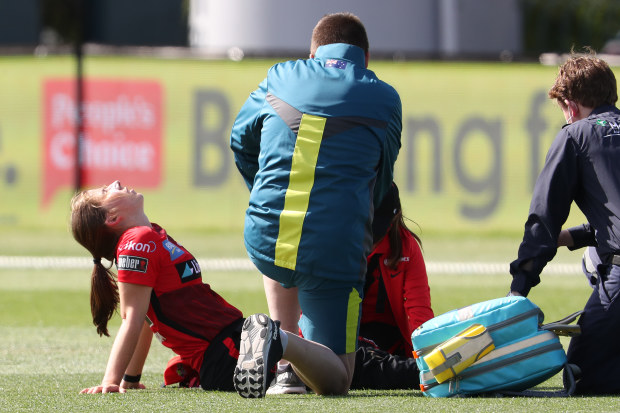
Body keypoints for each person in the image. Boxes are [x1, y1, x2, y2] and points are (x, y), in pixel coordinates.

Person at [229, 12, 402, 397]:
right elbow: (382, 181)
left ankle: (286, 365)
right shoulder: (386, 98)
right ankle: (284, 346)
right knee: (339, 377)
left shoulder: (280, 75)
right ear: (366, 57)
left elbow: (240, 140)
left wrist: (260, 190)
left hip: (268, 233)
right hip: (335, 248)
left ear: (313, 53)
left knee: (279, 231)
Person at [508, 51, 620, 395]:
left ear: (569, 105)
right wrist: (572, 237)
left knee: (584, 377)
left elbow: (544, 217)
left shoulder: (576, 135)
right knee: (596, 254)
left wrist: (518, 291)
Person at [71, 180, 245, 394]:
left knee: (284, 343)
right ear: (113, 218)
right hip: (226, 353)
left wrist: (131, 378)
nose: (115, 182)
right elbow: (132, 317)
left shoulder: (150, 234)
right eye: (106, 191)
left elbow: (146, 318)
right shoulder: (137, 241)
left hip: (226, 346)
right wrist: (111, 381)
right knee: (282, 344)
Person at [265, 182, 433, 393]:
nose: (370, 237)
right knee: (347, 361)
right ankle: (421, 373)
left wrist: (430, 354)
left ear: (395, 218)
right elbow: (314, 313)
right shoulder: (328, 240)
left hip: (385, 347)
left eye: (377, 227)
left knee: (363, 364)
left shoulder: (406, 247)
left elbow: (419, 315)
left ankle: (423, 370)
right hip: (340, 339)